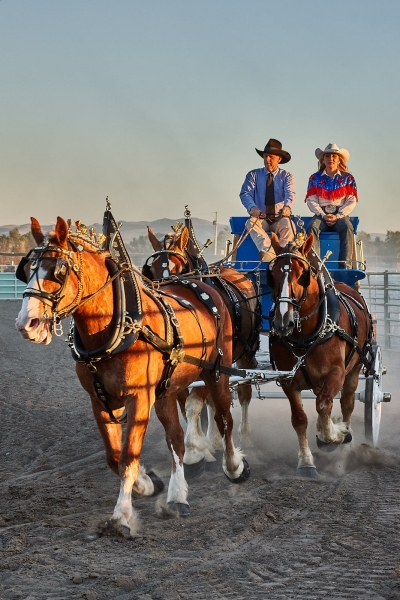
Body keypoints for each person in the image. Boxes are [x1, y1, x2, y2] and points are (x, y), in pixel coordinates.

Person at [240, 138, 296, 262]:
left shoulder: (287, 176)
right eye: (265, 156)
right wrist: (252, 208)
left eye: (270, 157)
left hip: (279, 218)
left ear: (279, 159)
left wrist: (287, 207)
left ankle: (283, 254)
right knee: (250, 223)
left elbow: (290, 193)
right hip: (261, 218)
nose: (267, 160)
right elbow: (245, 194)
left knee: (289, 225)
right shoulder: (253, 175)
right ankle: (269, 253)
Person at [305, 143, 358, 268]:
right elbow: (311, 200)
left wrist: (338, 215)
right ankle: (314, 265)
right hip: (321, 214)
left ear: (339, 159)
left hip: (340, 215)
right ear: (323, 159)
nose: (331, 159)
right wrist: (323, 215)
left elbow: (351, 200)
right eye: (327, 156)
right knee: (312, 227)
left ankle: (345, 265)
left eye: (334, 156)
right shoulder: (314, 178)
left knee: (347, 227)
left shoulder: (348, 178)